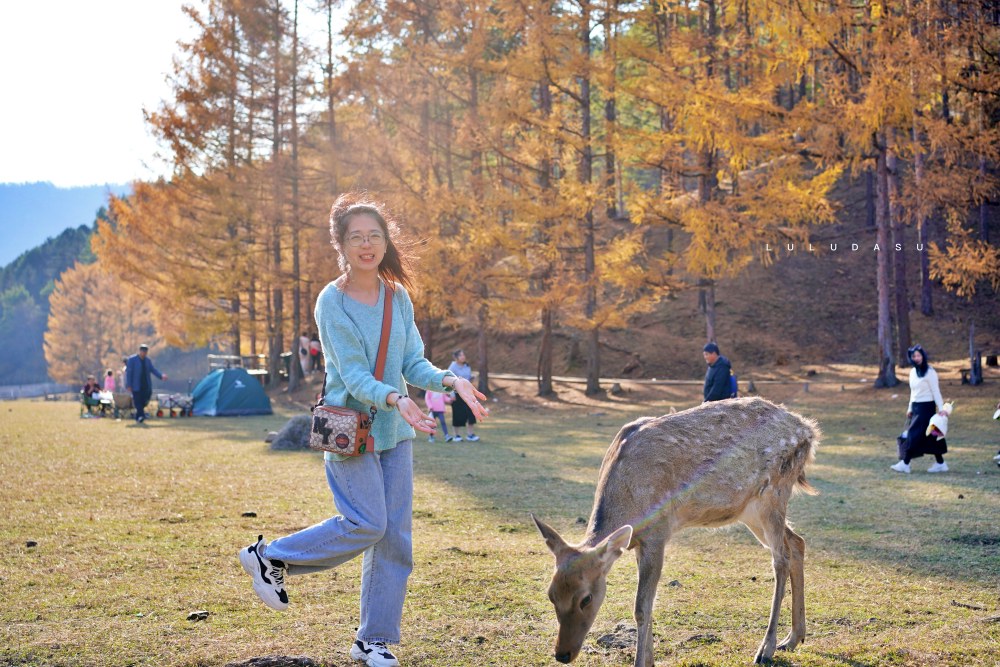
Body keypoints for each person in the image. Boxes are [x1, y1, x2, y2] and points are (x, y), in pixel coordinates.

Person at [238, 193, 489, 667]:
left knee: (395, 538)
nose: (367, 245)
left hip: (394, 429)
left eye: (374, 236)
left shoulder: (398, 296)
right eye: (357, 237)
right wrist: (397, 397)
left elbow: (412, 362)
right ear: (342, 244)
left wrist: (451, 380)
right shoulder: (331, 303)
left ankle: (372, 641)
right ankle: (270, 555)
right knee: (367, 523)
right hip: (348, 427)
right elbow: (352, 376)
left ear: (385, 241)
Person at [892, 344, 949, 474]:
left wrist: (941, 409)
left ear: (923, 356)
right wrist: (910, 408)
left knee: (914, 434)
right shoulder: (912, 372)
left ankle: (905, 463)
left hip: (927, 407)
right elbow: (913, 392)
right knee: (932, 436)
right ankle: (941, 463)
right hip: (917, 407)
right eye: (914, 356)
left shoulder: (930, 372)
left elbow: (936, 391)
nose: (917, 358)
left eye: (919, 355)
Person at [125, 344, 167, 424]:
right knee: (138, 401)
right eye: (143, 351)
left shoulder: (147, 361)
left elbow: (153, 370)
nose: (144, 353)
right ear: (140, 351)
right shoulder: (132, 360)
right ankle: (141, 416)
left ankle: (139, 415)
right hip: (136, 385)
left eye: (145, 352)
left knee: (145, 400)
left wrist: (161, 376)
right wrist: (129, 385)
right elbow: (129, 373)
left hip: (146, 385)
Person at [448, 349, 480, 442]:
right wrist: (451, 394)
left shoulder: (467, 366)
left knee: (471, 413)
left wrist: (472, 378)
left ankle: (470, 435)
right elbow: (449, 381)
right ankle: (456, 435)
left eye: (463, 355)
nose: (463, 357)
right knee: (458, 414)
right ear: (456, 357)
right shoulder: (452, 367)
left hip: (468, 394)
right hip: (457, 394)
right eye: (461, 355)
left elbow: (467, 379)